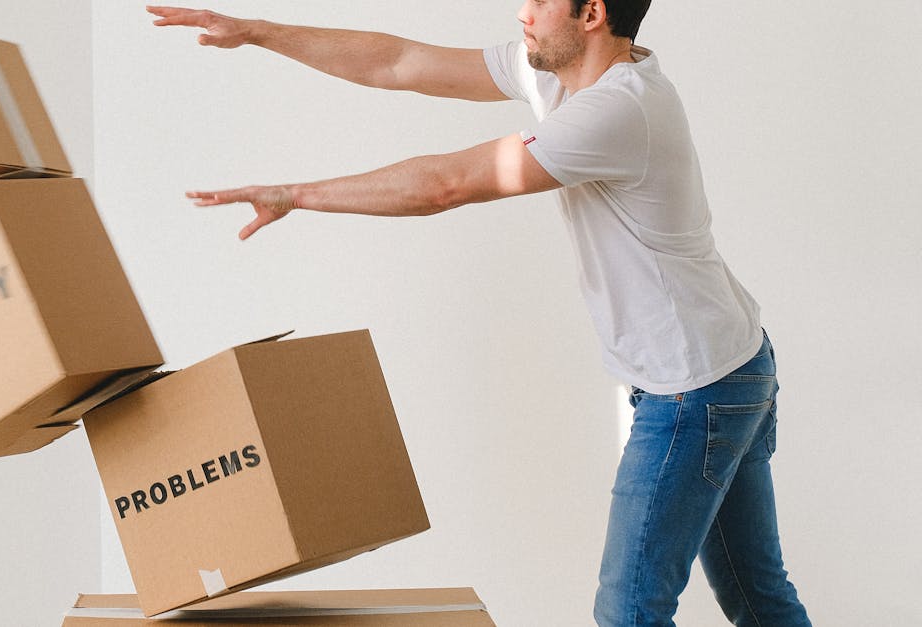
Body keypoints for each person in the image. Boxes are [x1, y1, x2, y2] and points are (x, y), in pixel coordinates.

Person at [147, 2, 812, 625]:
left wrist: (294, 194)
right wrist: (258, 31)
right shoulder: (564, 75)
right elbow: (397, 62)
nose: (522, 11)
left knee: (630, 608)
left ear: (591, 14)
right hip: (732, 362)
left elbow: (446, 184)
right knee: (757, 595)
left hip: (693, 388)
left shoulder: (617, 110)